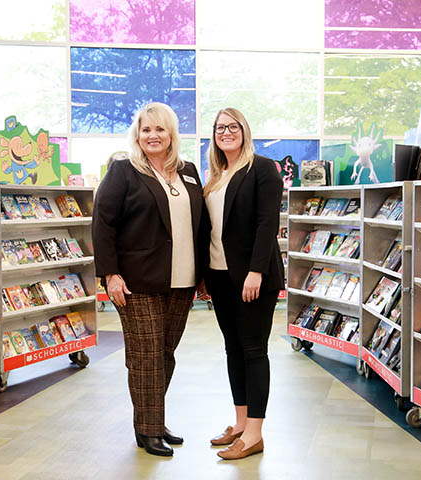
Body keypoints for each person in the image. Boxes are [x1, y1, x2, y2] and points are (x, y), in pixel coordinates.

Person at [92, 102, 206, 457]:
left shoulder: (187, 171)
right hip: (136, 281)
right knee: (145, 357)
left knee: (165, 355)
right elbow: (103, 223)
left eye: (159, 129)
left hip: (183, 280)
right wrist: (110, 274)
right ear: (137, 135)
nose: (152, 136)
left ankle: (152, 418)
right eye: (146, 130)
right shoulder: (123, 171)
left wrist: (202, 274)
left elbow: (199, 224)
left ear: (172, 133)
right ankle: (148, 429)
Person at [202, 107, 284, 460]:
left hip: (252, 277)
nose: (226, 132)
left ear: (244, 131)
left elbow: (268, 224)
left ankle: (254, 433)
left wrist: (256, 271)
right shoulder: (216, 175)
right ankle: (238, 423)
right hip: (219, 275)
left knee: (253, 350)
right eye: (220, 128)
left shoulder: (262, 169)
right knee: (233, 349)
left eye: (233, 126)